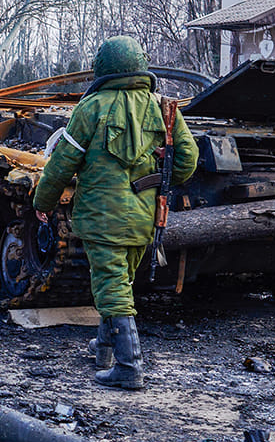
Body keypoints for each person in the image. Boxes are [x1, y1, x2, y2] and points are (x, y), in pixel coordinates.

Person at [30, 36, 198, 390]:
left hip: (100, 216)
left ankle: (129, 365)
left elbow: (61, 164)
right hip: (144, 217)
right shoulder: (163, 108)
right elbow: (188, 160)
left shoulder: (91, 107)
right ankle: (105, 347)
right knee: (117, 282)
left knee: (111, 286)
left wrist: (42, 202)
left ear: (103, 67)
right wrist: (158, 181)